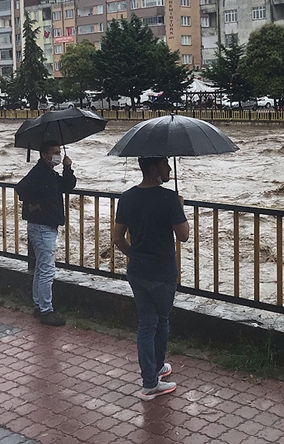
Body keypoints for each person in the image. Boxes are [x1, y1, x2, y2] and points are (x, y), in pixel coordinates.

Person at [112, 157, 189, 400]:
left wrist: (135, 255)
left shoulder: (127, 197)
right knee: (161, 320)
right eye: (166, 165)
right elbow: (184, 235)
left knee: (146, 323)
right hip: (162, 272)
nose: (169, 169)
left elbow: (117, 238)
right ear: (154, 169)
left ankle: (151, 374)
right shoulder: (168, 199)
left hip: (137, 271)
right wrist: (179, 206)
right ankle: (152, 377)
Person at [15, 142, 76, 327]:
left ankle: (38, 305)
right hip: (42, 227)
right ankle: (46, 310)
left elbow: (67, 186)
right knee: (47, 269)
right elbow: (21, 188)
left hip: (44, 226)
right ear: (44, 154)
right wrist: (34, 203)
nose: (57, 155)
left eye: (59, 152)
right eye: (55, 152)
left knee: (41, 268)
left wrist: (68, 168)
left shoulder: (49, 173)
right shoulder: (40, 172)